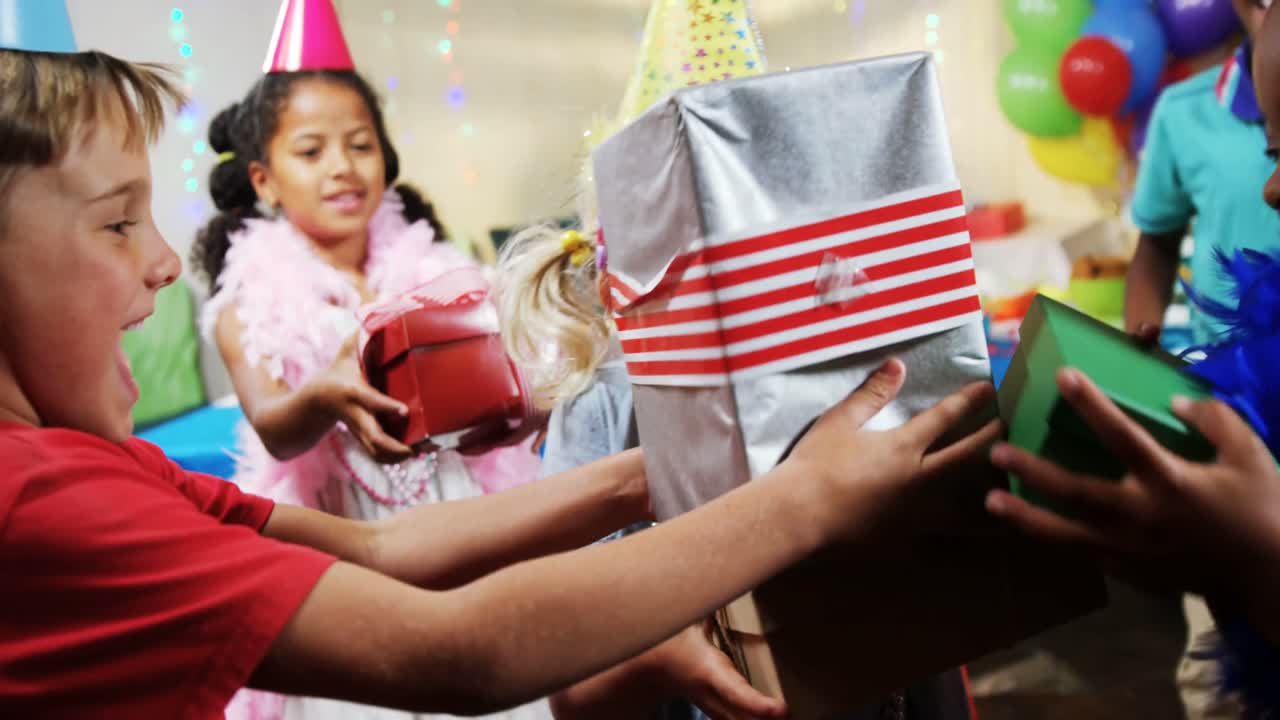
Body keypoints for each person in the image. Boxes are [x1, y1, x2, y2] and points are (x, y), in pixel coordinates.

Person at [0, 43, 1002, 719]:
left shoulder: (92, 465)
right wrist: (801, 499)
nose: (168, 261)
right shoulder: (41, 500)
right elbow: (452, 648)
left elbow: (381, 547)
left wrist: (665, 468)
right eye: (118, 220)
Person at [1121, 2, 1276, 715]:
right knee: (1218, 663)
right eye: (1273, 153)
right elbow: (1152, 244)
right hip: (1235, 407)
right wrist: (1141, 335)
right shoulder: (1185, 112)